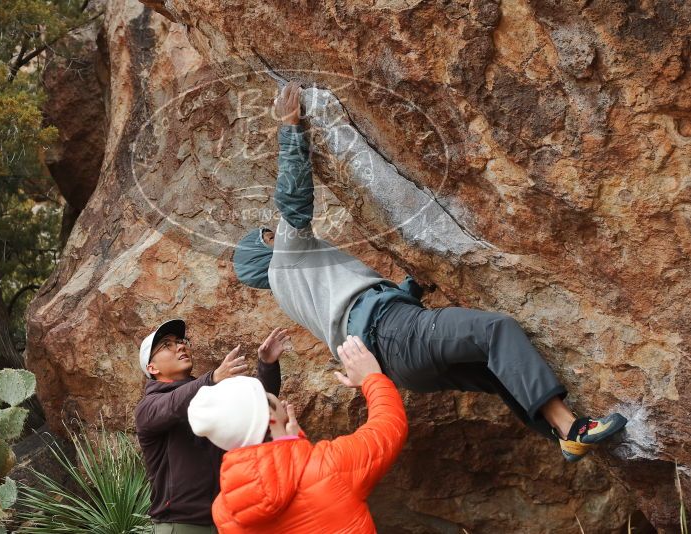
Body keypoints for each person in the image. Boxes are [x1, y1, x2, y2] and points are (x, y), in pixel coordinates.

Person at [232, 81, 627, 462]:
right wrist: (290, 128)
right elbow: (293, 200)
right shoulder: (287, 258)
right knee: (496, 332)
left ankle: (561, 435)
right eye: (268, 235)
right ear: (264, 252)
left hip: (401, 364)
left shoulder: (292, 291)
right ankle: (571, 429)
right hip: (396, 333)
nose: (274, 232)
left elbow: (354, 304)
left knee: (496, 371)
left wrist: (410, 288)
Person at [187, 335, 408, 533]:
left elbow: (282, 484)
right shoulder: (329, 466)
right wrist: (372, 378)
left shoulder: (224, 511)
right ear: (271, 416)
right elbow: (389, 428)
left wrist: (294, 442)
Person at [135, 319, 289, 533]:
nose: (180, 346)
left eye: (181, 341)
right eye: (167, 345)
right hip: (180, 525)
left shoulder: (208, 394)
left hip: (226, 521)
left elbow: (254, 409)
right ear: (152, 368)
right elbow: (173, 405)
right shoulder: (148, 407)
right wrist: (213, 378)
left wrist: (267, 365)